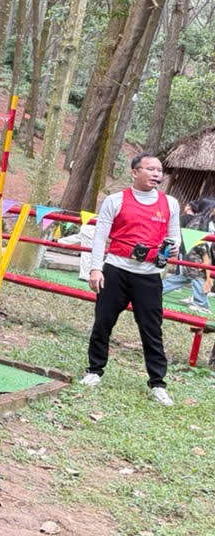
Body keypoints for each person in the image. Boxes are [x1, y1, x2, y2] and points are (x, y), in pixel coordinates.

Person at [83, 153, 180, 406]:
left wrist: (174, 248)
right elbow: (100, 236)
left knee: (152, 329)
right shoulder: (115, 200)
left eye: (159, 170)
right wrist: (95, 269)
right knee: (103, 322)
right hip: (116, 270)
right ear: (135, 172)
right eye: (150, 169)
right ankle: (94, 370)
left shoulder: (170, 203)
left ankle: (158, 383)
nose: (156, 174)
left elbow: (175, 237)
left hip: (149, 276)